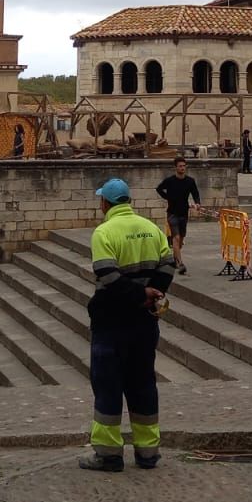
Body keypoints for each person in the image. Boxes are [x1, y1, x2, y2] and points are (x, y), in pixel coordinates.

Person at [80, 178, 176, 473]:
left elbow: (107, 275)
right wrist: (153, 294)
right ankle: (148, 452)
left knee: (107, 385)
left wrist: (138, 295)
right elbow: (169, 263)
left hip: (112, 321)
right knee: (143, 384)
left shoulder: (104, 232)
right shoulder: (151, 228)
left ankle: (109, 454)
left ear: (105, 204)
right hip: (145, 322)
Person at [155, 157, 203, 275]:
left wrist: (197, 203)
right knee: (175, 238)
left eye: (184, 166)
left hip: (184, 213)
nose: (182, 168)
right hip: (172, 213)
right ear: (175, 167)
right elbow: (159, 189)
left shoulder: (190, 181)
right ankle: (180, 263)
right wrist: (168, 198)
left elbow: (195, 193)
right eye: (180, 166)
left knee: (181, 239)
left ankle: (175, 257)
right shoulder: (170, 181)